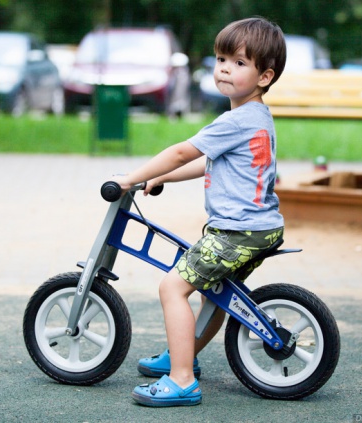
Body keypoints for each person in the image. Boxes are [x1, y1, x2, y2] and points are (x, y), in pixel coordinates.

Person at [111, 16, 287, 407]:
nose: (225, 68)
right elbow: (209, 162)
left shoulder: (236, 120)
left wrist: (130, 178)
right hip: (260, 228)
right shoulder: (257, 117)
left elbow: (180, 152)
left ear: (264, 76)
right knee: (217, 295)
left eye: (239, 63)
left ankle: (182, 378)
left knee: (173, 287)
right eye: (221, 59)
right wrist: (162, 180)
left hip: (236, 233)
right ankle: (182, 355)